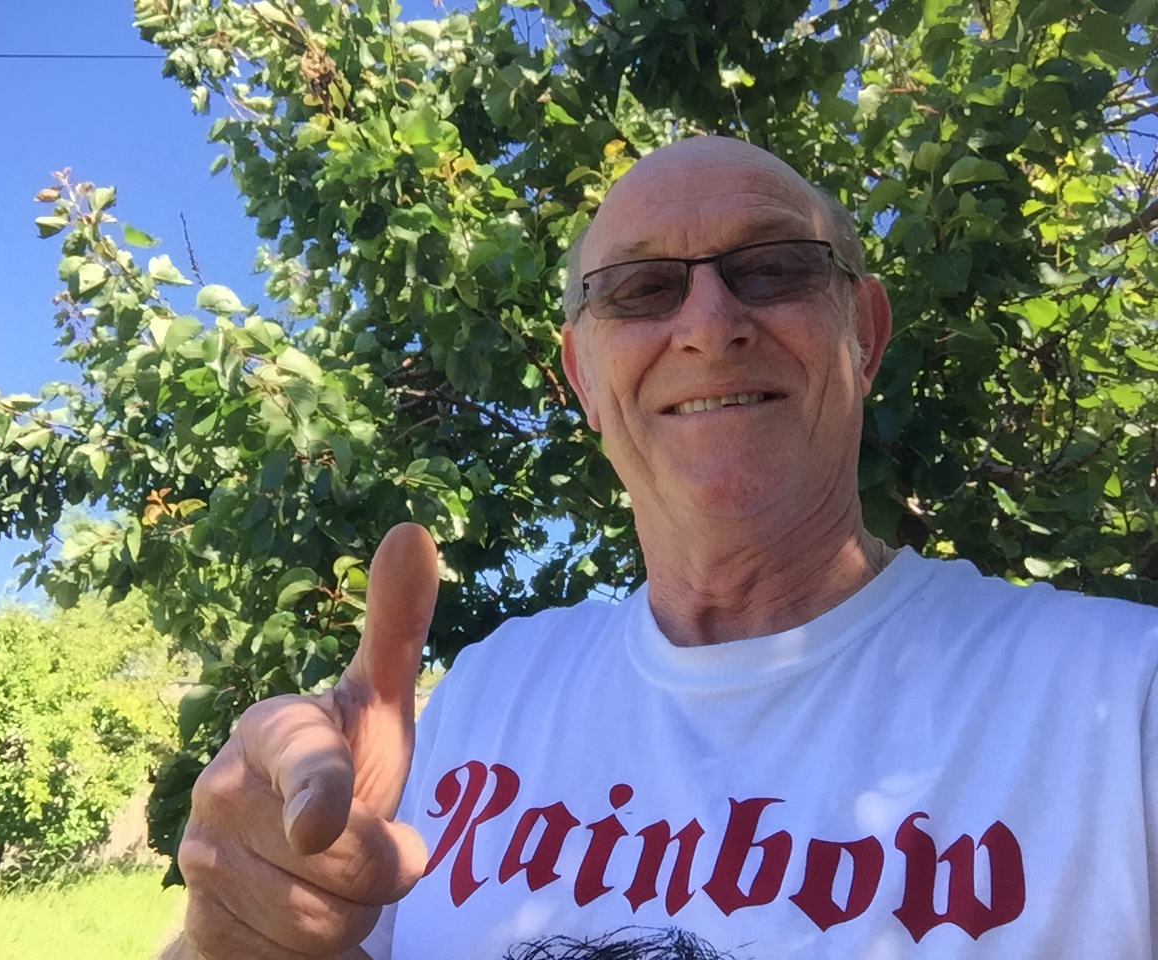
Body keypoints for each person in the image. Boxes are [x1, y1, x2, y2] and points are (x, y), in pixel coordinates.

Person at [164, 137, 1158, 960]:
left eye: (774, 267)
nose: (710, 325)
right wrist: (230, 935)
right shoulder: (485, 695)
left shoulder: (1123, 703)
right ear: (584, 380)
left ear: (862, 330)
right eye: (640, 289)